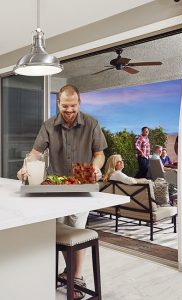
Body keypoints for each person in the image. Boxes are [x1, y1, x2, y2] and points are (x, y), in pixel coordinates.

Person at [17, 84, 107, 300]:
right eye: (65, 106)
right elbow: (35, 153)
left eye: (73, 105)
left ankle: (75, 277)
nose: (69, 110)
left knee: (76, 229)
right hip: (55, 186)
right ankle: (70, 273)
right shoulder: (49, 125)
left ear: (79, 103)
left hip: (82, 184)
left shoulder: (91, 123)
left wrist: (96, 167)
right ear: (58, 104)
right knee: (61, 232)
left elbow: (100, 153)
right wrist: (26, 167)